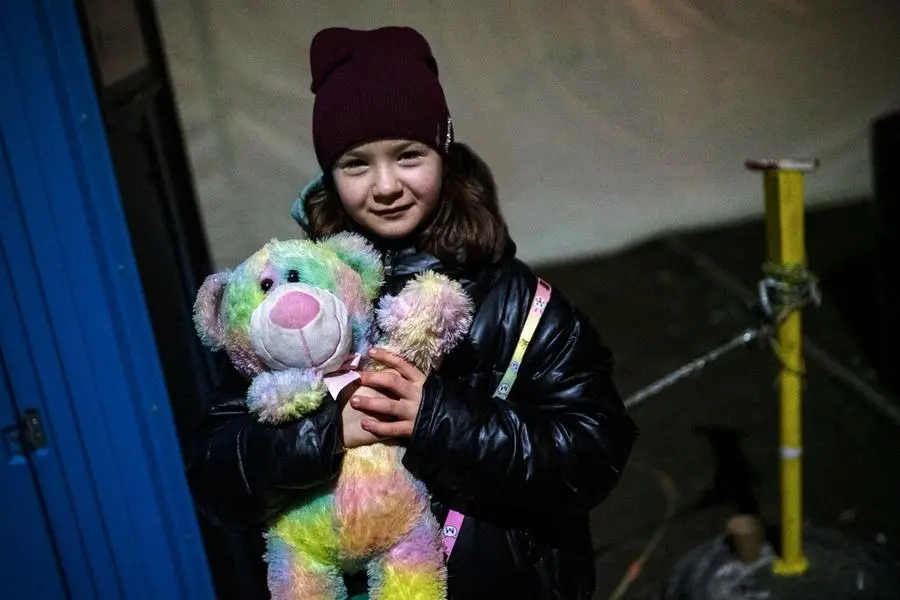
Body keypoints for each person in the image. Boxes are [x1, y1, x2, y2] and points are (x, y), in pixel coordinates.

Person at [187, 25, 638, 600]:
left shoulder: (521, 304)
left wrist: (438, 420)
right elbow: (215, 476)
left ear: (442, 150)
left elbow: (592, 455)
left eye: (408, 156)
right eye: (356, 164)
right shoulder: (296, 298)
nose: (385, 186)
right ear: (330, 171)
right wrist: (320, 435)